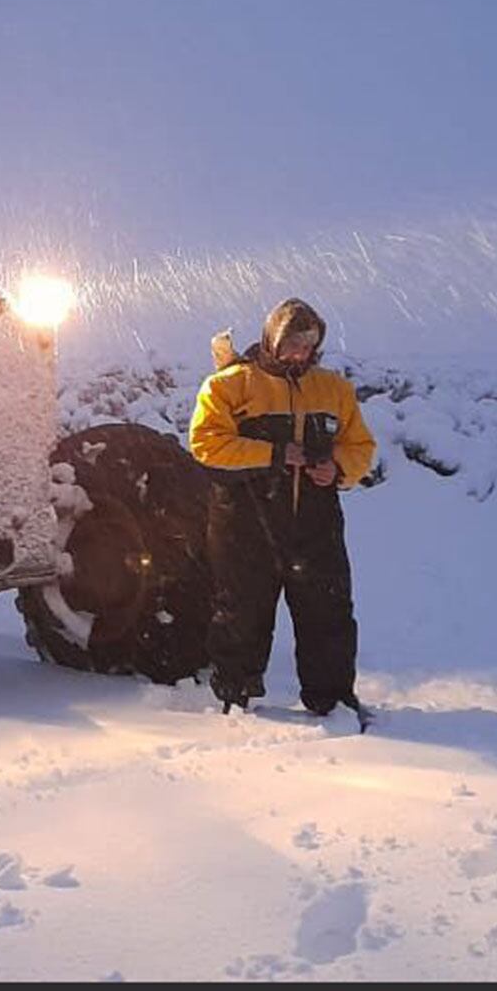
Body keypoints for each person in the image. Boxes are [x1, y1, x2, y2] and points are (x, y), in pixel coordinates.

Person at [187, 298, 378, 729]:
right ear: (272, 339)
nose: (299, 352)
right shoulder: (229, 385)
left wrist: (340, 468)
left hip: (316, 524)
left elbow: (361, 446)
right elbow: (205, 445)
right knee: (241, 612)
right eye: (291, 342)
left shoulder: (334, 389)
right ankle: (235, 697)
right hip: (244, 523)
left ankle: (332, 700)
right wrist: (274, 454)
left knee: (328, 613)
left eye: (308, 344)